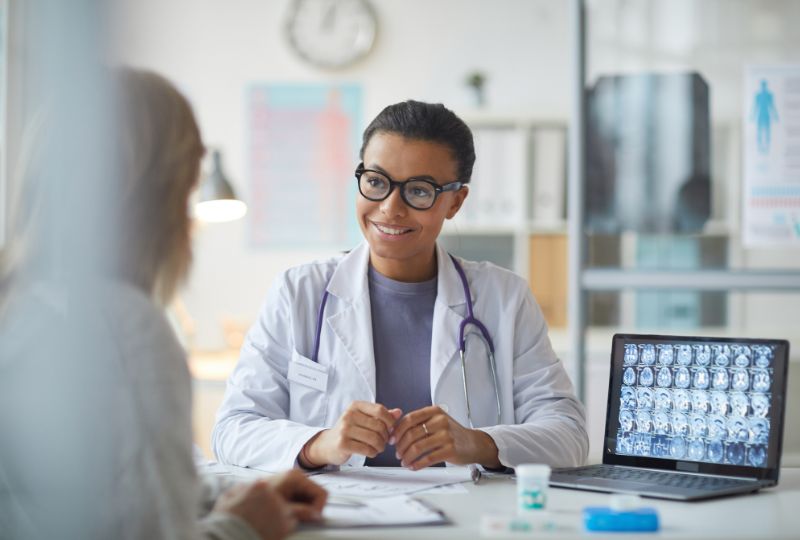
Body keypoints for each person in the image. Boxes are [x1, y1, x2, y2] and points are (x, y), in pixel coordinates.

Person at [0, 69, 326, 540]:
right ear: (159, 193)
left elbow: (101, 489)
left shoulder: (24, 299)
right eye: (189, 187)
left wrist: (224, 493)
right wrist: (244, 525)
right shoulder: (123, 328)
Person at [212, 100, 588, 472]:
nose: (391, 207)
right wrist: (319, 444)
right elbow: (232, 429)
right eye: (376, 182)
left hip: (465, 508)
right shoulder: (299, 292)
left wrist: (477, 443)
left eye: (420, 190)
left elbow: (569, 435)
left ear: (455, 202)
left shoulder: (504, 298)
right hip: (339, 508)